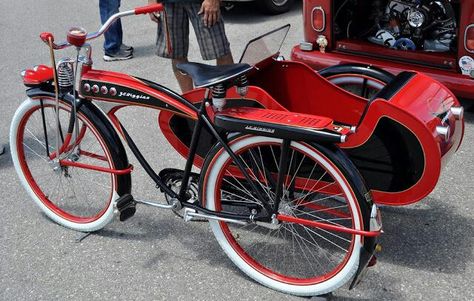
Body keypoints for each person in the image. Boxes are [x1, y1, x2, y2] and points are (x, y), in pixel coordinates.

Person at [148, 0, 234, 92]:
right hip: (168, 3)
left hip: (202, 3)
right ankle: (189, 100)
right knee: (176, 54)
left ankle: (229, 97)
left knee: (220, 50)